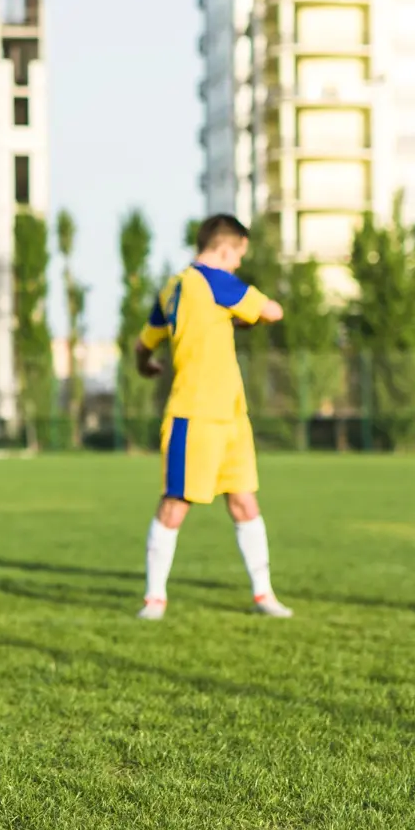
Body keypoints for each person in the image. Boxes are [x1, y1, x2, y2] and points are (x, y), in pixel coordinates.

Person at [133, 214, 292, 621]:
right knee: (175, 504)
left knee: (244, 502)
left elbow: (143, 342)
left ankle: (263, 594)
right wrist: (246, 314)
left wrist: (145, 364)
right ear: (225, 248)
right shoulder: (213, 279)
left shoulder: (171, 288)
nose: (238, 264)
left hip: (232, 415)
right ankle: (154, 598)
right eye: (239, 254)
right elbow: (272, 311)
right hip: (195, 413)